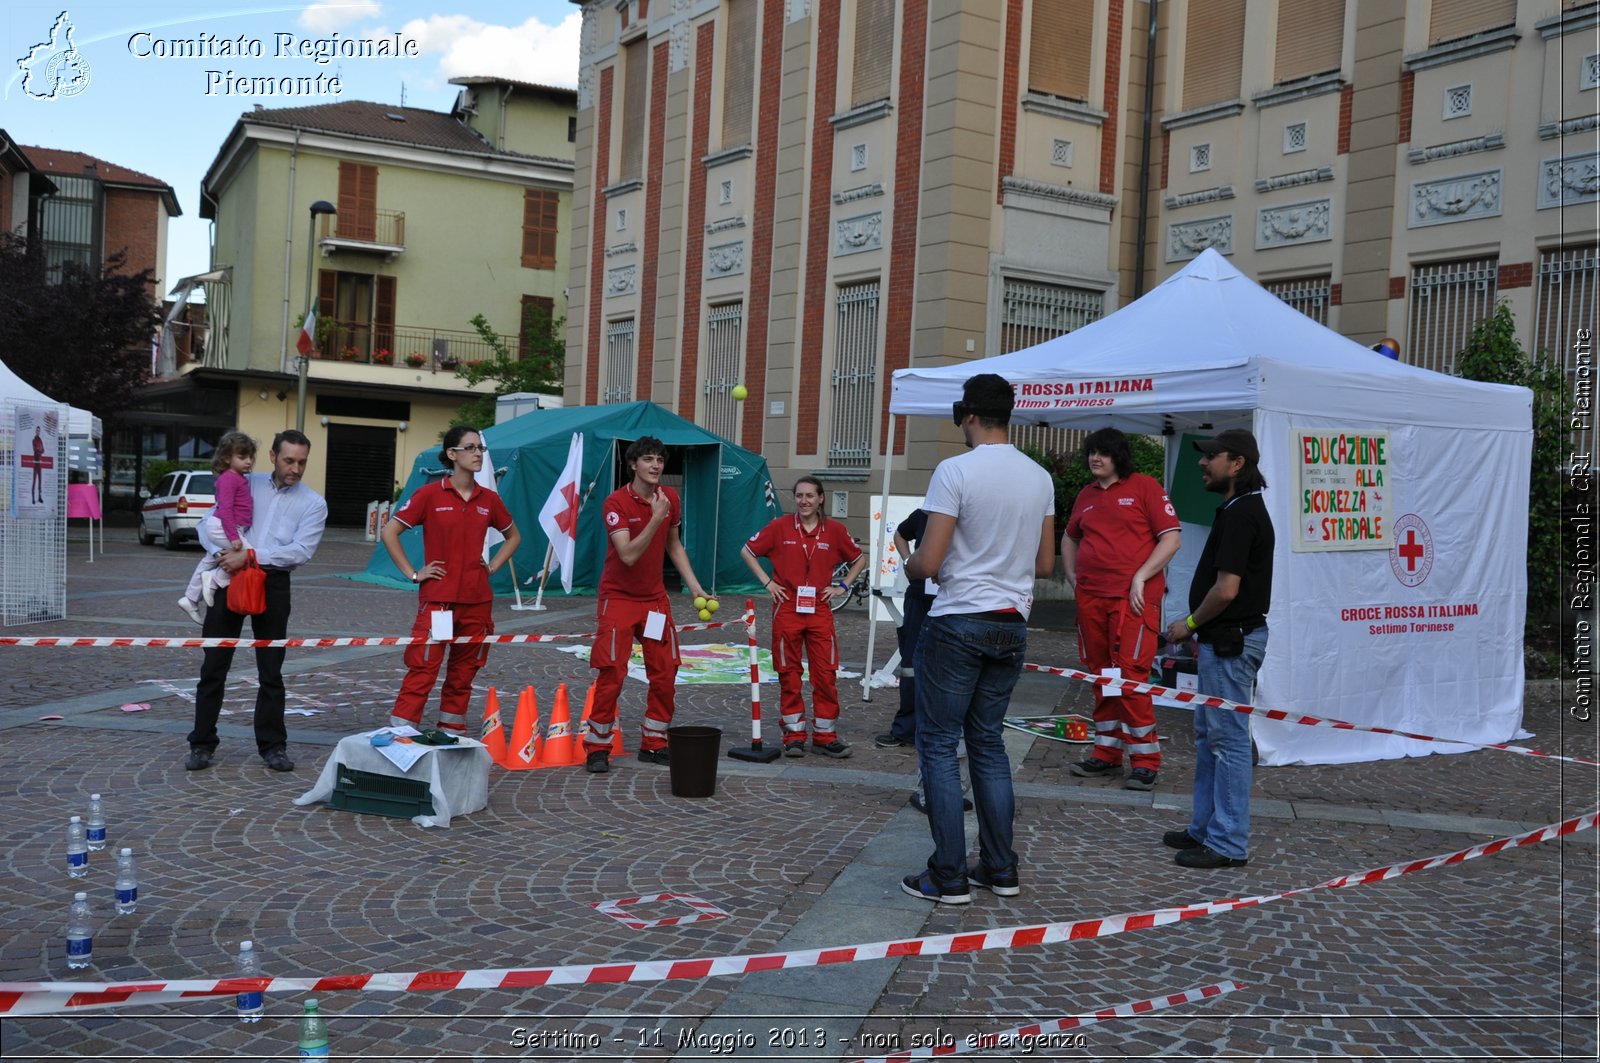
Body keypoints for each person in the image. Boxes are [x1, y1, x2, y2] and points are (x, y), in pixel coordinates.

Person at [900, 374, 1054, 905]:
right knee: (988, 745)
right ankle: (1000, 868)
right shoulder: (1040, 477)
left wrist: (908, 563)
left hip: (959, 618)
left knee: (940, 746)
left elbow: (931, 561)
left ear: (967, 415)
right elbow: (1045, 563)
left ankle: (947, 874)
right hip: (1012, 621)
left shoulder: (955, 470)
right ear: (1006, 414)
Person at [1162, 428, 1274, 869]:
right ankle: (1205, 829)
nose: (1201, 463)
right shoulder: (1234, 509)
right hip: (1221, 641)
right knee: (1212, 738)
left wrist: (1188, 624)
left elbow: (1226, 590)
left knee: (1227, 743)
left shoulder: (1243, 513)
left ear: (1238, 463)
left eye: (1211, 456)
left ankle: (1227, 842)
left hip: (1231, 642)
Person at [185, 430, 328, 772]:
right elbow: (209, 522)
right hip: (229, 577)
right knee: (214, 665)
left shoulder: (313, 502)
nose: (295, 468)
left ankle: (273, 746)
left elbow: (299, 552)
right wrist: (224, 552)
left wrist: (247, 556)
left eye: (302, 462)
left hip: (273, 583)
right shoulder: (245, 482)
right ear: (274, 457)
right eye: (289, 460)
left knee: (271, 670)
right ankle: (201, 744)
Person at [580, 436, 712, 773]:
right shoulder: (615, 502)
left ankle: (654, 742)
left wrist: (697, 589)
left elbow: (674, 546)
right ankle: (597, 747)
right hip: (618, 599)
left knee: (666, 671)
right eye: (648, 459)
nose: (655, 466)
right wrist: (655, 518)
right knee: (612, 673)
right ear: (633, 464)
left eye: (660, 460)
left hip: (654, 601)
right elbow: (627, 555)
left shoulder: (670, 498)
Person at [1063, 428, 1181, 791]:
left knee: (1130, 677)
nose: (1095, 458)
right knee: (1103, 676)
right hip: (1092, 600)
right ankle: (1107, 753)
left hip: (1132, 602)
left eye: (1104, 453)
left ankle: (1145, 760)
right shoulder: (1086, 495)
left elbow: (1172, 537)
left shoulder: (1144, 487)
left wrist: (1141, 577)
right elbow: (1070, 536)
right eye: (1092, 452)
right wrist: (1073, 577)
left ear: (1119, 457)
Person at [381, 426, 521, 734]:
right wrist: (414, 573)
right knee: (423, 668)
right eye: (470, 448)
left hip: (478, 601)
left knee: (464, 673)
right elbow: (389, 531)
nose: (477, 454)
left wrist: (493, 565)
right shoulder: (429, 494)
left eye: (480, 449)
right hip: (439, 600)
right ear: (451, 454)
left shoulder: (489, 499)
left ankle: (451, 733)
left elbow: (513, 536)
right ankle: (402, 734)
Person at [742, 476, 867, 757]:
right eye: (799, 496)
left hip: (819, 610)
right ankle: (794, 736)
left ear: (821, 498)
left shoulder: (834, 531)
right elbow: (747, 551)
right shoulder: (780, 527)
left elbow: (859, 559)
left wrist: (842, 586)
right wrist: (767, 583)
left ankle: (825, 736)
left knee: (825, 674)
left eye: (810, 495)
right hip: (787, 607)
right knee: (789, 673)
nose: (804, 501)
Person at [179, 431, 257, 625]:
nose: (248, 461)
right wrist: (233, 537)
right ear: (226, 458)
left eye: (250, 457)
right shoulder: (229, 479)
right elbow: (225, 510)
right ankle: (214, 580)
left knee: (208, 560)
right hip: (223, 526)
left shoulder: (236, 477)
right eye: (242, 457)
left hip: (223, 526)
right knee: (249, 558)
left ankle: (190, 598)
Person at [874, 508, 930, 751]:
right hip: (919, 597)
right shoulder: (923, 514)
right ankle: (907, 729)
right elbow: (900, 534)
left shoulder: (967, 514)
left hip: (954, 600)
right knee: (910, 664)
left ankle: (940, 729)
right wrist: (909, 560)